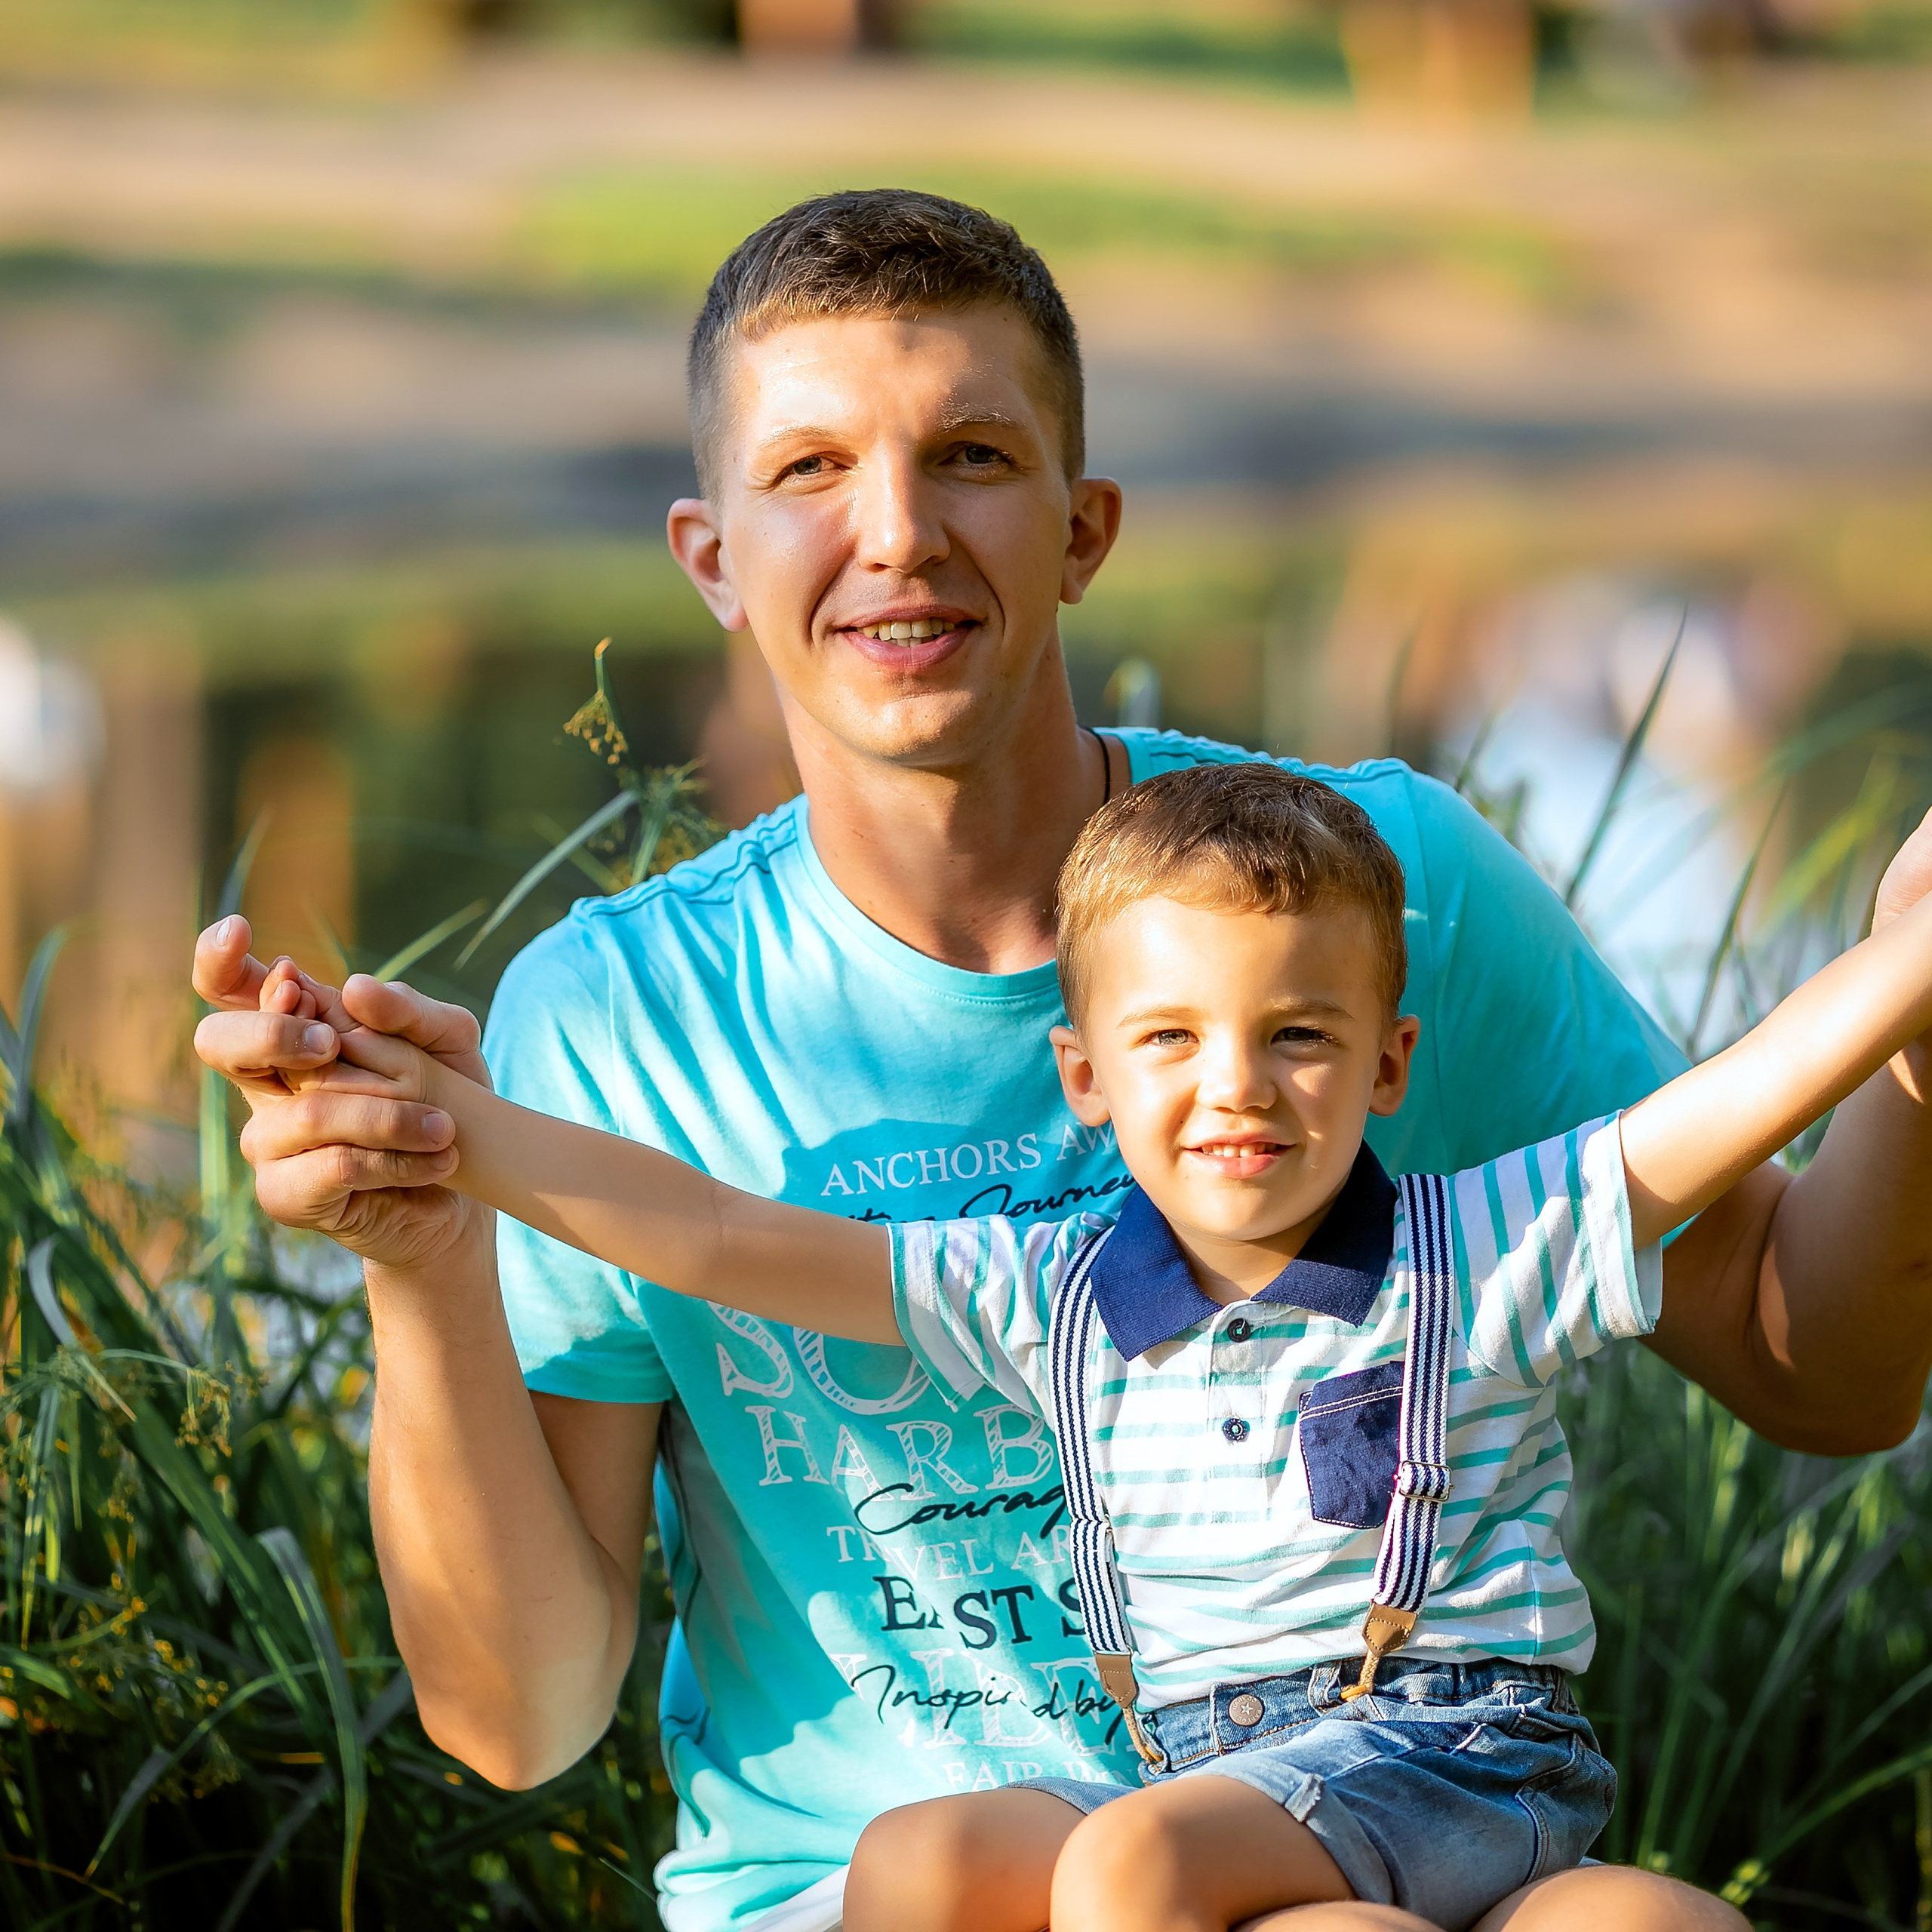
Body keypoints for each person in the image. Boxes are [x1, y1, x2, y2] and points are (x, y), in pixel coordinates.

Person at [192, 189, 1932, 1932]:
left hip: (1370, 1815)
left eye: (968, 454)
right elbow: (517, 1717)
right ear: (709, 556)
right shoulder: (616, 1019)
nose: (895, 535)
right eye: (807, 470)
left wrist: (1910, 1031)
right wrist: (427, 1233)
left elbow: (1826, 1374)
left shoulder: (1365, 899)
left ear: (1082, 526)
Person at [260, 758, 1932, 1932]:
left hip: (1445, 1744)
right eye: (1171, 1041)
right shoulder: (1050, 1291)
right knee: (920, 1863)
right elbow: (714, 1233)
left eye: (1298, 1038)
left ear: (1388, 1062)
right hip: (1232, 1760)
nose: (1237, 1088)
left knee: (1131, 1876)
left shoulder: (1475, 1241)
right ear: (1084, 1077)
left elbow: (1730, 1105)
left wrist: (1900, 958)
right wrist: (442, 1129)